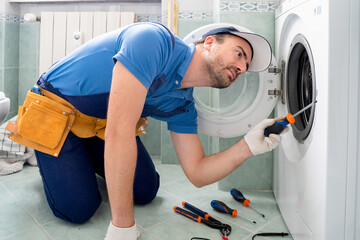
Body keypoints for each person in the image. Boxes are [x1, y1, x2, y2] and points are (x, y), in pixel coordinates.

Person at [8, 22, 285, 240]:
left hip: (99, 122)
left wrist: (248, 146)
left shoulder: (183, 104)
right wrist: (123, 227)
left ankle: (84, 158)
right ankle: (48, 154)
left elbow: (198, 173)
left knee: (146, 189)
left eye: (246, 66)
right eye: (240, 54)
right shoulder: (153, 41)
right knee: (78, 210)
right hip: (56, 111)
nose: (242, 67)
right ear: (209, 42)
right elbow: (120, 131)